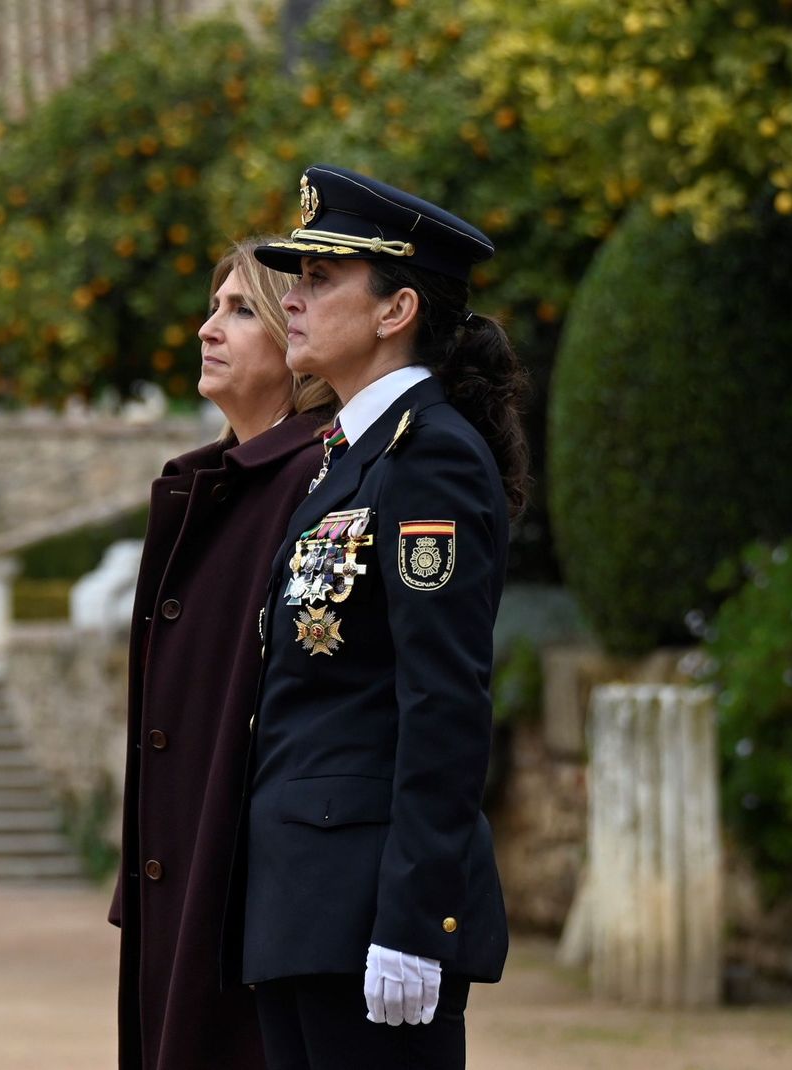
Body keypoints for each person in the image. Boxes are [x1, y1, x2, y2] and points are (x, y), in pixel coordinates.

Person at [231, 164, 527, 1070]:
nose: (297, 299)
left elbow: (443, 700)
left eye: (323, 280)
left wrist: (414, 920)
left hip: (369, 915)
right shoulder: (347, 460)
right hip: (301, 902)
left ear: (396, 310)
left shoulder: (430, 458)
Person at [111, 237, 338, 1070]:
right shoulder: (216, 480)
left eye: (242, 310)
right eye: (214, 306)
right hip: (182, 878)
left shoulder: (319, 484)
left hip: (247, 893)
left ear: (297, 339)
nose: (209, 328)